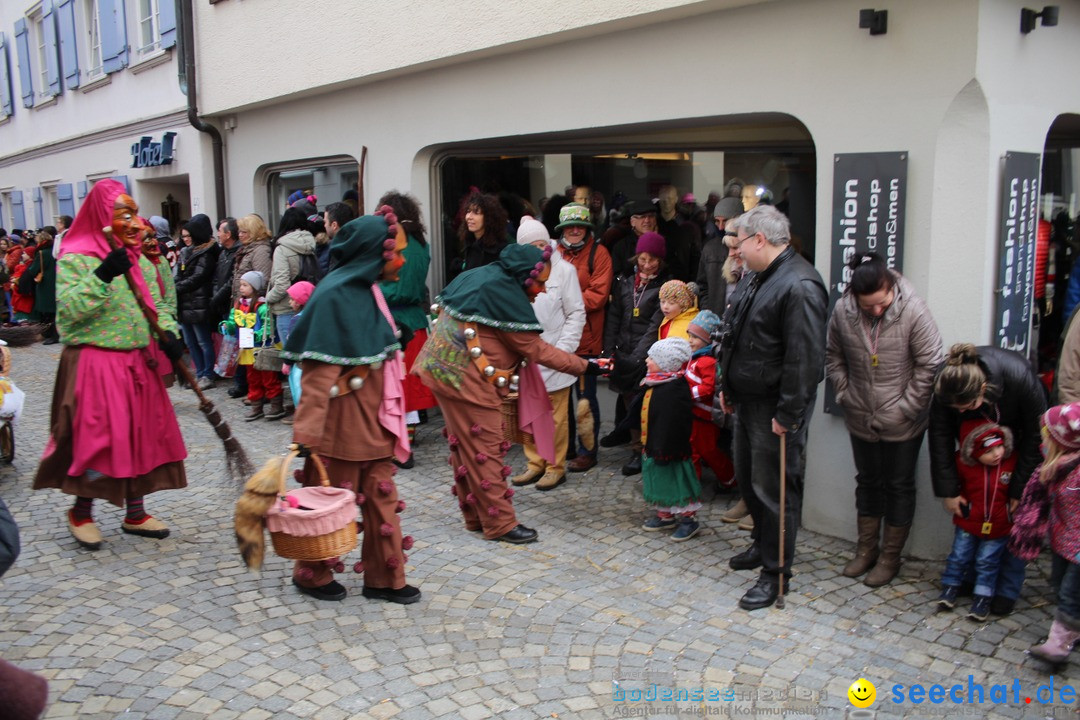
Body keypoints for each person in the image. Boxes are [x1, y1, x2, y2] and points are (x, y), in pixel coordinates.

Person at [33, 179, 187, 549]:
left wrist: (169, 334)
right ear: (102, 216)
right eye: (124, 214)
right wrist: (103, 274)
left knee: (142, 436)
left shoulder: (139, 260)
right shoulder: (76, 256)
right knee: (99, 441)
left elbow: (157, 306)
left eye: (135, 213)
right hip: (96, 363)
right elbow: (68, 314)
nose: (135, 222)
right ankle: (81, 512)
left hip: (138, 362)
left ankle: (135, 513)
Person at [415, 244, 604, 544]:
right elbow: (536, 349)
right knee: (486, 450)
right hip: (469, 385)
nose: (542, 291)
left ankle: (475, 517)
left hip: (440, 373)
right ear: (522, 276)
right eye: (540, 282)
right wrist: (586, 366)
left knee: (462, 446)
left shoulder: (480, 278)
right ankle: (500, 524)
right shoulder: (504, 297)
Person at [280, 208, 419, 604]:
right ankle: (312, 573)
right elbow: (318, 376)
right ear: (375, 253)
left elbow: (374, 345)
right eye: (397, 253)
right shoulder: (334, 296)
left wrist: (396, 338)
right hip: (338, 431)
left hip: (373, 424)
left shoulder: (369, 292)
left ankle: (384, 579)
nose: (404, 261)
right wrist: (305, 437)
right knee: (328, 503)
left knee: (383, 504)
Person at [719, 205, 828, 611]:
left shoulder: (799, 284)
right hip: (749, 400)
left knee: (775, 491)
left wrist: (788, 414)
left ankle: (776, 573)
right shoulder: (762, 275)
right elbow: (737, 335)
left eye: (740, 243)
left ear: (759, 240)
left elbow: (805, 359)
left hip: (774, 407)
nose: (735, 251)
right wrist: (727, 386)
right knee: (750, 481)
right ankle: (761, 546)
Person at [826, 252, 944, 586]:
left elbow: (931, 364)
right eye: (869, 306)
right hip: (860, 412)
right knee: (867, 481)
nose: (877, 310)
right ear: (854, 297)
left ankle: (891, 557)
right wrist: (845, 393)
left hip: (904, 421)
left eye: (882, 302)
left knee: (899, 485)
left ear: (891, 287)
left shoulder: (913, 310)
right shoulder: (843, 311)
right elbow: (833, 355)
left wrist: (906, 408)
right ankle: (866, 551)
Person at [930, 342, 1047, 616]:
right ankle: (971, 580)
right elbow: (940, 435)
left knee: (1014, 523)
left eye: (966, 407)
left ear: (983, 391)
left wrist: (1020, 489)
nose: (960, 412)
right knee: (975, 519)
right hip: (977, 461)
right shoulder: (946, 382)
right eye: (955, 408)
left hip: (1017, 455)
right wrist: (948, 490)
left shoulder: (1019, 378)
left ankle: (1006, 589)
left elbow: (1037, 437)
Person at [509, 216, 585, 491]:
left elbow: (576, 313)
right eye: (533, 245)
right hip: (526, 356)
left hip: (555, 351)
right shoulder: (517, 272)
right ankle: (534, 463)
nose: (540, 249)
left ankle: (555, 466)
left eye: (542, 243)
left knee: (555, 416)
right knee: (528, 413)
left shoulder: (563, 271)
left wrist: (563, 351)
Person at [1011, 403, 1080, 665]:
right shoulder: (1059, 466)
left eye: (1046, 435)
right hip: (1064, 539)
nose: (1042, 439)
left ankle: (1058, 646)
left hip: (1077, 546)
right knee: (1060, 584)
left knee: (1070, 594)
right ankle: (1073, 629)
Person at [552, 203, 613, 474]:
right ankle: (565, 448)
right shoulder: (552, 253)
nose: (575, 230)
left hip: (587, 339)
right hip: (557, 338)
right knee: (560, 397)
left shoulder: (599, 254)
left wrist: (565, 302)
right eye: (570, 226)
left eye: (581, 226)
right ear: (563, 229)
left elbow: (598, 296)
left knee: (585, 398)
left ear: (588, 229)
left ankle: (588, 451)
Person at [604, 232, 671, 476]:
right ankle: (635, 448)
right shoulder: (624, 281)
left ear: (660, 260)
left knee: (645, 404)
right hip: (624, 349)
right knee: (628, 401)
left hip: (647, 355)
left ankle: (648, 449)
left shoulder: (665, 286)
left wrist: (638, 357)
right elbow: (614, 316)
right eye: (642, 258)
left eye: (652, 259)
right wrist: (610, 349)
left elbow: (655, 326)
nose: (647, 264)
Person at [376, 191, 435, 469]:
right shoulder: (422, 243)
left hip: (394, 323)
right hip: (416, 320)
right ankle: (407, 441)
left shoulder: (397, 244)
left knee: (394, 387)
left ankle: (400, 447)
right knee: (408, 390)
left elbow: (393, 288)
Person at [935, 422, 1015, 621]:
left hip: (999, 525)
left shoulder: (1012, 462)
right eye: (989, 451)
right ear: (974, 454)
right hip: (969, 521)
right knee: (959, 556)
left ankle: (983, 597)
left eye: (999, 446)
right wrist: (955, 495)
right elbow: (953, 481)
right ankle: (950, 587)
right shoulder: (964, 465)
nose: (997, 454)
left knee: (987, 562)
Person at [637, 337, 702, 541]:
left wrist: (665, 447)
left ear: (666, 363)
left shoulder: (674, 389)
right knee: (659, 480)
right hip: (654, 446)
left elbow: (675, 422)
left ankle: (688, 520)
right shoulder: (654, 382)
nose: (647, 360)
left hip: (670, 449)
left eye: (652, 358)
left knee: (677, 481)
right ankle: (665, 515)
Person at [221, 271, 284, 421]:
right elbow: (232, 322)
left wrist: (257, 335)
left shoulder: (262, 307)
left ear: (254, 288)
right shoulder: (238, 305)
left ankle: (276, 405)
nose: (241, 288)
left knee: (268, 378)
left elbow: (268, 327)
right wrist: (227, 326)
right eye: (241, 284)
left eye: (245, 285)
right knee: (253, 378)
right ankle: (256, 405)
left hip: (261, 349)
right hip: (247, 349)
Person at [685, 310, 735, 488]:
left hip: (705, 417)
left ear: (707, 340)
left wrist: (688, 394)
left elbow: (708, 388)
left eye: (695, 337)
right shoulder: (694, 358)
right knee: (694, 450)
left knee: (709, 450)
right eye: (690, 336)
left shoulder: (706, 361)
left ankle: (729, 478)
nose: (691, 340)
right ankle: (692, 483)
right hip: (695, 414)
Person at [174, 215, 221, 389]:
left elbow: (198, 277)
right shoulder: (186, 252)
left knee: (203, 340)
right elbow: (179, 273)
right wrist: (177, 284)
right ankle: (199, 372)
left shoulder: (207, 252)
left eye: (188, 236)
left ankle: (207, 374)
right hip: (185, 303)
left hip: (199, 302)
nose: (185, 239)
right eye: (183, 236)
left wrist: (176, 287)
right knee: (190, 341)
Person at [230, 215, 273, 400]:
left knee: (256, 353)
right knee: (246, 352)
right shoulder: (247, 249)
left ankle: (263, 392)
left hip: (254, 308)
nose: (239, 235)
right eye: (239, 231)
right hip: (243, 305)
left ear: (254, 232)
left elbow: (261, 279)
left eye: (244, 231)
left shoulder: (260, 250)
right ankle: (252, 390)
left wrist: (249, 297)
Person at [266, 207, 318, 347]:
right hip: (308, 305)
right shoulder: (312, 244)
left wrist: (268, 298)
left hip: (287, 307)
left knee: (291, 356)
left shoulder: (282, 248)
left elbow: (282, 285)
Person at [697, 197, 743, 317]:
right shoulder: (710, 248)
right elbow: (702, 286)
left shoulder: (750, 247)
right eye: (717, 221)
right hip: (715, 318)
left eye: (725, 221)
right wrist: (707, 312)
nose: (721, 227)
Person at [451, 191, 509, 280]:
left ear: (489, 217)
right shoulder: (470, 245)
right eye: (468, 211)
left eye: (476, 212)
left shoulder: (501, 250)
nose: (469, 217)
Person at [26, 228, 58, 343]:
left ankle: (51, 334)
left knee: (48, 312)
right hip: (55, 283)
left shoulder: (41, 253)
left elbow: (34, 270)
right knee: (53, 310)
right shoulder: (54, 251)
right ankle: (50, 333)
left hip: (45, 285)